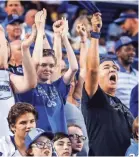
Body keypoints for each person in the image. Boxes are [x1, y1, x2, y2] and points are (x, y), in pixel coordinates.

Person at [16, 9, 78, 133]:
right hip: (38, 143)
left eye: (51, 66)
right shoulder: (27, 88)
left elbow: (74, 67)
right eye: (44, 65)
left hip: (59, 143)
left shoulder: (57, 87)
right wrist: (40, 29)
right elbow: (35, 62)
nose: (48, 69)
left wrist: (63, 37)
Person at [81, 12, 134, 156]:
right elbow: (91, 70)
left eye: (115, 68)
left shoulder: (122, 107)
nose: (113, 69)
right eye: (107, 67)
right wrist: (95, 34)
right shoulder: (95, 98)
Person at [0, 24, 37, 137]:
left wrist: (25, 49)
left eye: (5, 45)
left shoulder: (7, 76)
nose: (3, 49)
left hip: (8, 145)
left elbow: (30, 83)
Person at [115, 36, 138, 108]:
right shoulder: (111, 71)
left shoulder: (137, 74)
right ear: (118, 53)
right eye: (128, 49)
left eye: (133, 50)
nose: (132, 53)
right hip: (117, 116)